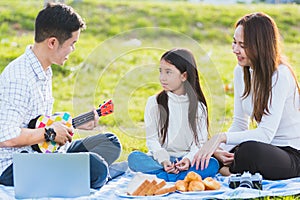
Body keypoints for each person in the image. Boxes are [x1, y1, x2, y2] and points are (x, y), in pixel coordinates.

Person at [0, 3, 127, 189]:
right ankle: (102, 173)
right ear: (52, 43)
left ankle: (90, 172)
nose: (73, 50)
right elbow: (6, 137)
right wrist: (50, 132)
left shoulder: (44, 70)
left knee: (110, 142)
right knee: (96, 168)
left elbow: (33, 121)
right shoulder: (18, 79)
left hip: (43, 153)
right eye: (71, 44)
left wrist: (72, 124)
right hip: (16, 166)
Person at [192, 12, 300, 180]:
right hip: (265, 147)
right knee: (215, 152)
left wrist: (221, 138)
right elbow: (239, 124)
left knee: (249, 151)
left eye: (242, 45)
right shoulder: (241, 71)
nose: (235, 50)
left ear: (260, 45)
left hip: (291, 155)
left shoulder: (280, 75)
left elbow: (265, 134)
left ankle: (226, 170)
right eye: (234, 42)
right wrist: (218, 149)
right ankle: (226, 168)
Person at [128, 48, 219, 182]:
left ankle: (164, 177)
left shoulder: (199, 107)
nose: (162, 77)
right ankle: (179, 177)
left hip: (187, 161)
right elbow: (152, 140)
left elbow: (199, 143)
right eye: (160, 71)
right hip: (160, 160)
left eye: (168, 72)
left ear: (184, 76)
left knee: (212, 164)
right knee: (134, 158)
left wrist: (188, 159)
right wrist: (164, 161)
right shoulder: (154, 102)